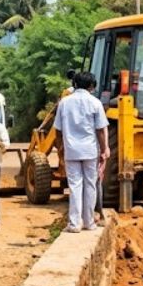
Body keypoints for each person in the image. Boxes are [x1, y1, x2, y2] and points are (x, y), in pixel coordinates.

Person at [53, 71, 109, 233]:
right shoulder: (95, 103)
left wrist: (61, 149)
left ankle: (74, 223)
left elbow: (58, 130)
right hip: (90, 150)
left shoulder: (64, 103)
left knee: (75, 186)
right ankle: (89, 222)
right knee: (90, 185)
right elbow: (100, 130)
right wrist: (104, 149)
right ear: (92, 86)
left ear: (75, 84)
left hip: (71, 150)